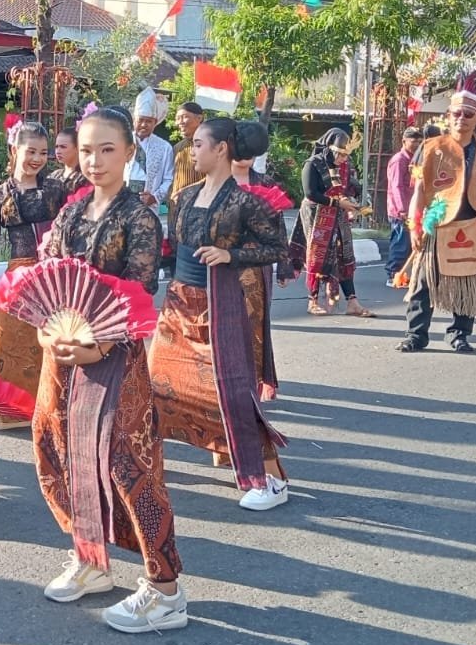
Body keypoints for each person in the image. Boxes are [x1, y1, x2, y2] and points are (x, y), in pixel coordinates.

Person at [33, 105, 185, 634]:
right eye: (88, 149)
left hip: (115, 361)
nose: (95, 160)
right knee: (60, 451)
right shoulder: (71, 213)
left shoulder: (138, 217)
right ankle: (90, 558)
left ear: (128, 153)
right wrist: (50, 331)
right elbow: (46, 279)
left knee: (127, 464)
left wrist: (98, 345)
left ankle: (166, 590)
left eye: (108, 150)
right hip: (64, 357)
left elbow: (141, 293)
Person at [153, 118, 293, 509]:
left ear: (221, 150)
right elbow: (172, 248)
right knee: (159, 386)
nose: (191, 150)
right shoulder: (181, 197)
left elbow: (276, 250)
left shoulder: (246, 201)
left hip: (221, 303)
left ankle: (270, 478)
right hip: (178, 305)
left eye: (198, 144)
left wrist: (231, 255)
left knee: (231, 393)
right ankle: (146, 459)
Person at [399, 73, 476, 354]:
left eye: (468, 114)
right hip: (436, 226)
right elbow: (419, 191)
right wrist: (415, 226)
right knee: (423, 283)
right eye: (456, 113)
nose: (461, 118)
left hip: (473, 223)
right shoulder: (431, 147)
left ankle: (459, 333)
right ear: (448, 117)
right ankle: (416, 334)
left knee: (469, 283)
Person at [0, 120, 68, 428]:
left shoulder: (56, 188)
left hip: (54, 275)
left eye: (44, 152)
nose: (37, 159)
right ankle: (13, 411)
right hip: (18, 275)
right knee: (9, 344)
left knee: (54, 343)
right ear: (14, 150)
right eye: (31, 151)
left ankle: (54, 409)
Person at [230, 153, 295, 404]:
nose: (244, 155)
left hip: (257, 262)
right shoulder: (217, 180)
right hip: (222, 263)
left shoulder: (266, 183)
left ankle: (255, 380)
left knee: (254, 323)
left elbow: (278, 229)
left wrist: (285, 265)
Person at [297, 128, 374, 317]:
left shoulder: (343, 167)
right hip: (317, 215)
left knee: (344, 256)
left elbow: (346, 189)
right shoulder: (312, 164)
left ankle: (352, 302)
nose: (342, 159)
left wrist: (353, 206)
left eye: (345, 155)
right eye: (340, 154)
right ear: (329, 149)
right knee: (318, 257)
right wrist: (337, 203)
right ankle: (312, 301)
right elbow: (310, 193)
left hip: (338, 214)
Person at [128, 87, 175, 210]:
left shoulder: (165, 147)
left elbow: (169, 178)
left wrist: (155, 197)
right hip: (122, 199)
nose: (144, 124)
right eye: (141, 120)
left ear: (155, 123)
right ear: (134, 120)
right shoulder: (122, 141)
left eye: (148, 121)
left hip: (148, 203)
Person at [385, 126, 420, 287]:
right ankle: (393, 274)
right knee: (400, 244)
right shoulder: (399, 160)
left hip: (412, 209)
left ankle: (401, 275)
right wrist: (403, 210)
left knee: (408, 245)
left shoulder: (414, 160)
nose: (417, 144)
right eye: (413, 141)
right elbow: (396, 186)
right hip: (401, 211)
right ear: (404, 141)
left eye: (419, 141)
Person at [172, 101, 204, 195]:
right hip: (175, 206)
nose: (180, 122)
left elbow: (215, 177)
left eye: (184, 117)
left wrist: (188, 191)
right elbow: (170, 182)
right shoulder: (177, 148)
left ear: (199, 118)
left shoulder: (210, 145)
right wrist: (163, 209)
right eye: (177, 118)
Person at [52, 126, 90, 195]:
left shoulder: (85, 178)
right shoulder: (54, 175)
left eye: (63, 147)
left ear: (77, 148)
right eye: (56, 147)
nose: (58, 151)